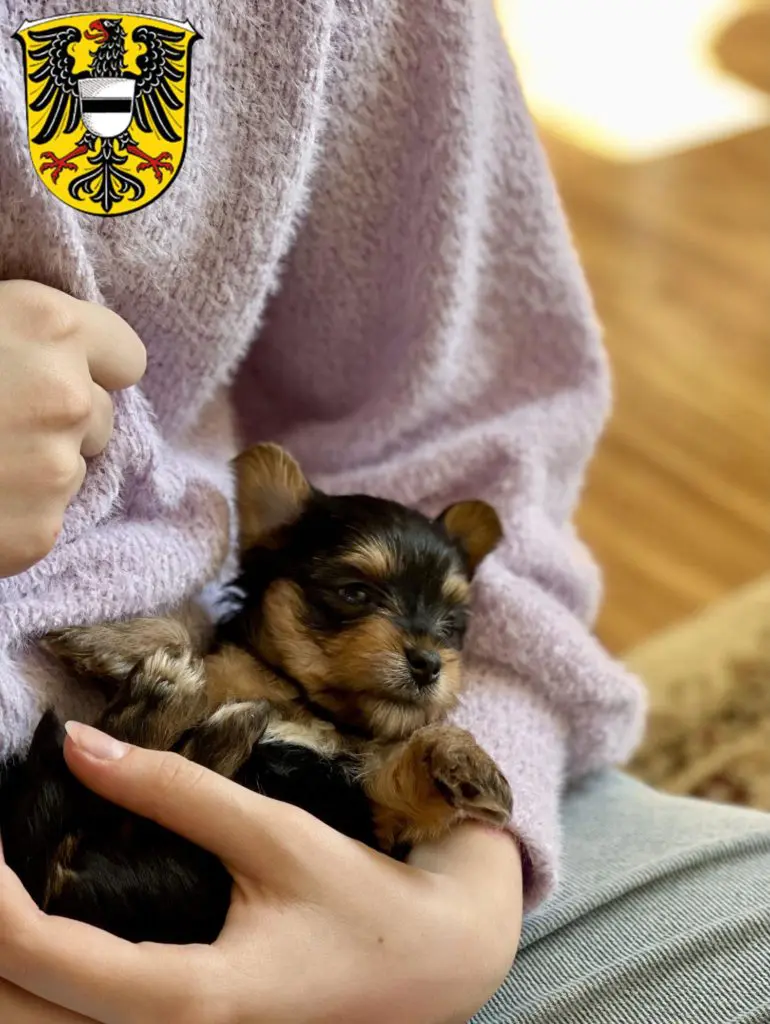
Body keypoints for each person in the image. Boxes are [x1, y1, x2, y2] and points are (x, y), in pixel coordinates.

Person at [0, 3, 768, 1022]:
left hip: (346, 908)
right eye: (351, 595)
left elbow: (468, 419)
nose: (417, 646)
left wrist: (462, 900)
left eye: (441, 621)